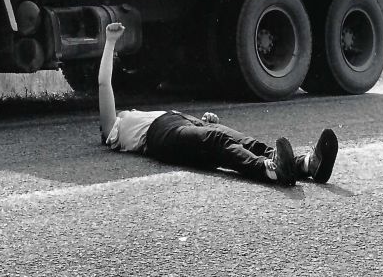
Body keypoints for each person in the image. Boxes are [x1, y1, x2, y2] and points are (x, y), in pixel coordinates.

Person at [98, 23, 338, 185]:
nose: (121, 110)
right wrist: (110, 42)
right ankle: (270, 170)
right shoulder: (112, 129)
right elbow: (104, 84)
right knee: (216, 142)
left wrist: (204, 122)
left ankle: (306, 165)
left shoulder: (133, 118)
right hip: (159, 135)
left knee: (245, 142)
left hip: (179, 122)